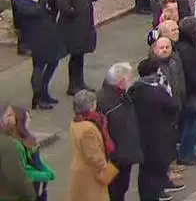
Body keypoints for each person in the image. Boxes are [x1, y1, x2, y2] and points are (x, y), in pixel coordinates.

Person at [129, 58, 181, 201]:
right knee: (155, 170)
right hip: (157, 136)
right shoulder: (157, 92)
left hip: (142, 136)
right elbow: (173, 106)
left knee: (145, 170)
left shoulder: (133, 91)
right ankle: (154, 195)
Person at [11, 0, 61, 110]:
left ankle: (44, 92)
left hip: (47, 34)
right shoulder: (20, 1)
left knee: (53, 61)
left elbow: (48, 6)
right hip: (36, 38)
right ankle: (37, 99)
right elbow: (38, 10)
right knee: (39, 67)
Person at [97, 63, 142, 201]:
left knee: (121, 188)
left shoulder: (121, 96)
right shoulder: (105, 102)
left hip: (123, 156)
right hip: (114, 157)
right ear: (121, 81)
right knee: (114, 191)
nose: (132, 80)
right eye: (129, 77)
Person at [54, 0, 99, 96]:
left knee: (80, 56)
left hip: (84, 27)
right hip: (72, 30)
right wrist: (76, 10)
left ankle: (80, 82)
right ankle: (73, 85)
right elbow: (64, 7)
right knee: (75, 57)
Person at [69, 90, 117, 201]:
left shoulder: (77, 122)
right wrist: (108, 170)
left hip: (82, 172)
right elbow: (94, 156)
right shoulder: (88, 129)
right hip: (90, 176)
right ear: (91, 106)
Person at [173, 17, 196, 167]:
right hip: (193, 91)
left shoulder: (185, 46)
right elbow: (191, 72)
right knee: (191, 123)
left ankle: (190, 152)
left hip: (194, 90)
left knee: (194, 123)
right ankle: (185, 154)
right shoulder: (187, 50)